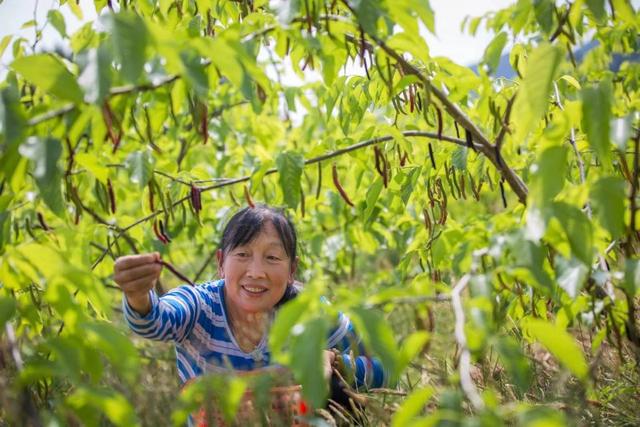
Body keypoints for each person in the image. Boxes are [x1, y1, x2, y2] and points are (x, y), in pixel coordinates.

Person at [114, 205, 387, 403]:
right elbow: (154, 321)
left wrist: (335, 361)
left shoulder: (311, 312)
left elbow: (386, 371)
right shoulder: (200, 306)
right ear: (221, 263)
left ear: (292, 269)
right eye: (243, 254)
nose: (256, 271)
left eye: (272, 258)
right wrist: (138, 295)